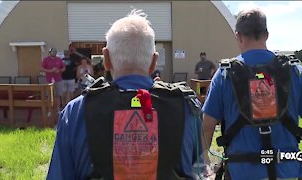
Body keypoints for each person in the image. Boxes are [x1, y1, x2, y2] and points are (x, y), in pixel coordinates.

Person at [47, 10, 208, 179]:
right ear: (154, 62)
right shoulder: (187, 108)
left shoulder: (75, 113)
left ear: (106, 59)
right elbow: (200, 171)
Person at [202, 8, 302, 180]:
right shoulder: (295, 70)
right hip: (289, 174)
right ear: (267, 35)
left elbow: (206, 127)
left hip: (241, 174)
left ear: (238, 36)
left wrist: (205, 167)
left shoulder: (224, 74)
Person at [41, 47, 65, 112]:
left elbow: (63, 68)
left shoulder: (59, 59)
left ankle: (58, 109)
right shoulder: (46, 60)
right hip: (48, 80)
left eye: (55, 52)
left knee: (58, 94)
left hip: (58, 79)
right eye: (52, 52)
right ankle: (49, 110)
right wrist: (50, 70)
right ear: (49, 52)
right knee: (49, 95)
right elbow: (42, 68)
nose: (53, 53)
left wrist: (59, 70)